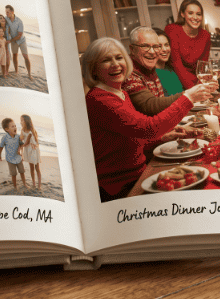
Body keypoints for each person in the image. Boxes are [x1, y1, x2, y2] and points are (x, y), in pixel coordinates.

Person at [82, 37, 211, 201]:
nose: (115, 64)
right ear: (94, 69)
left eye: (119, 57)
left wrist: (161, 137)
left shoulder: (119, 93)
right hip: (119, 187)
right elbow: (148, 127)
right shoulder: (99, 99)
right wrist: (188, 98)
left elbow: (131, 136)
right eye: (106, 60)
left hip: (137, 174)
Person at [121, 26, 184, 116]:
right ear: (132, 49)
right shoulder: (129, 72)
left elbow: (159, 113)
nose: (152, 52)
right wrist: (187, 95)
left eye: (155, 46)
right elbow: (149, 105)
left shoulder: (150, 68)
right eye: (145, 46)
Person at [163, 0, 211, 88]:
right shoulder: (172, 30)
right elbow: (176, 64)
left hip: (196, 80)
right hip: (173, 78)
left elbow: (203, 66)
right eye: (190, 13)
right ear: (182, 14)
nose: (195, 17)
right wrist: (194, 89)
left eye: (198, 14)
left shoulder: (206, 35)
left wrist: (202, 86)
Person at [152, 27, 184, 95]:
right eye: (159, 46)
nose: (164, 49)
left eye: (166, 45)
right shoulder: (152, 74)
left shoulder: (171, 70)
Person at [0, 117, 25, 189]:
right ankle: (15, 186)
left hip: (18, 158)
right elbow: (1, 147)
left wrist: (21, 151)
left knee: (22, 171)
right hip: (10, 159)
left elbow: (22, 145)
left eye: (15, 126)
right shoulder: (4, 138)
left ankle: (25, 184)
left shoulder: (18, 136)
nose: (15, 127)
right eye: (12, 126)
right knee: (14, 174)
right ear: (7, 129)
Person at [5, 5, 32, 79]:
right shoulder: (6, 19)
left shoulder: (19, 21)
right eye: (6, 12)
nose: (6, 14)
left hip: (21, 40)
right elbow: (0, 22)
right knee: (14, 56)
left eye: (8, 12)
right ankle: (16, 71)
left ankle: (29, 74)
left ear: (12, 12)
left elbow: (19, 35)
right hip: (13, 40)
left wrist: (10, 40)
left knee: (25, 56)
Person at [20, 114, 41, 190]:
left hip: (34, 150)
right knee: (31, 168)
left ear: (26, 121)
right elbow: (21, 139)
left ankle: (39, 185)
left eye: (22, 120)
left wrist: (25, 143)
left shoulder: (32, 129)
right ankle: (34, 184)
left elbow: (32, 141)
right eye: (20, 120)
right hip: (28, 150)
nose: (21, 122)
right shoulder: (22, 130)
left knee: (37, 168)